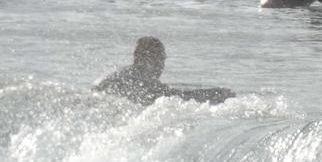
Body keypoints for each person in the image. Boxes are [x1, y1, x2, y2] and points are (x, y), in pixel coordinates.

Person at [93, 37, 234, 106]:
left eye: (163, 60)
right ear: (142, 58)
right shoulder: (137, 78)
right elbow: (176, 97)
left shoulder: (122, 74)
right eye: (159, 59)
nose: (161, 66)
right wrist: (215, 94)